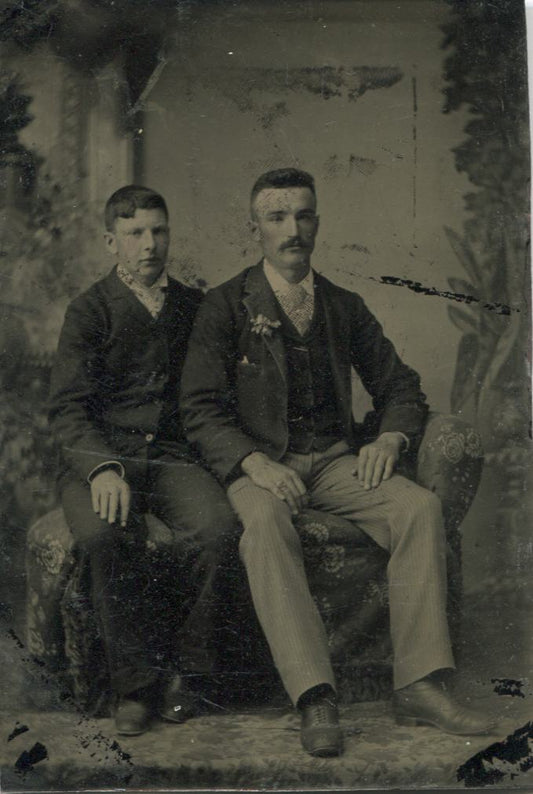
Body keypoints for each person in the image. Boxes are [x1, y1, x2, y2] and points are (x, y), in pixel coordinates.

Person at [180, 168, 494, 757]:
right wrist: (253, 463)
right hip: (260, 467)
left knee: (418, 508)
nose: (292, 230)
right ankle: (315, 695)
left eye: (303, 216)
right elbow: (198, 408)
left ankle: (419, 684)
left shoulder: (344, 306)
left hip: (332, 462)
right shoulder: (224, 306)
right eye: (277, 217)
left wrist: (391, 439)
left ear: (318, 223)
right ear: (255, 228)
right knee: (265, 524)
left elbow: (401, 386)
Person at [48, 185, 238, 736]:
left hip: (173, 457)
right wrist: (102, 468)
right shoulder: (89, 310)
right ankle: (133, 687)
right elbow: (67, 409)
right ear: (112, 242)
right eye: (135, 234)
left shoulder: (195, 308)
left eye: (158, 231)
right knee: (105, 534)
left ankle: (188, 674)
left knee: (219, 529)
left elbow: (214, 393)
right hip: (102, 458)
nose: (149, 244)